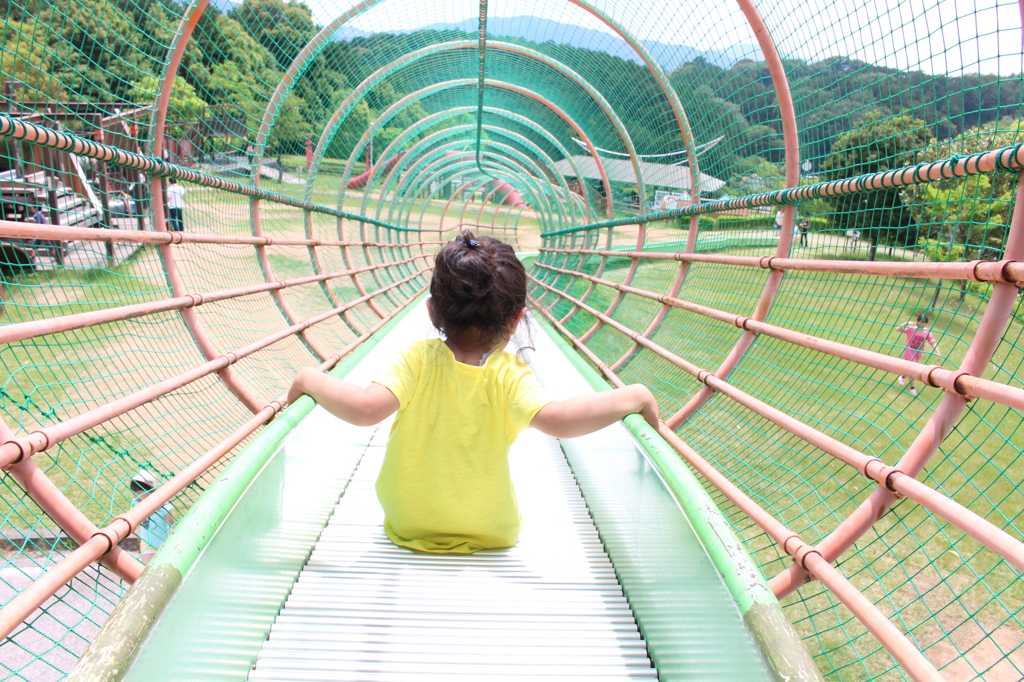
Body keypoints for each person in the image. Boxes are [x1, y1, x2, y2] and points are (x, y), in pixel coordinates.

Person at [287, 230, 659, 554]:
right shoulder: (509, 375)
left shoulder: (417, 360)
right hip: (490, 531)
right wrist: (635, 396)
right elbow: (560, 421)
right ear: (516, 319)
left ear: (432, 311)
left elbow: (364, 409)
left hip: (408, 524)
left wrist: (308, 378)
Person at [129, 469, 175, 563]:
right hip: (147, 543)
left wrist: (172, 541)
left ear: (152, 490)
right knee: (147, 569)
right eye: (134, 492)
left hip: (164, 542)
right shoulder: (136, 504)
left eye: (139, 493)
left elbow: (171, 524)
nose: (136, 496)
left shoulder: (163, 505)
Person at [896, 314, 942, 397]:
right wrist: (906, 323)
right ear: (917, 321)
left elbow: (932, 342)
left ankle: (902, 376)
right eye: (921, 322)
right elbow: (898, 329)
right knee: (912, 368)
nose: (923, 324)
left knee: (908, 367)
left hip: (918, 352)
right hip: (909, 350)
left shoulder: (927, 332)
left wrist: (938, 352)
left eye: (925, 323)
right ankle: (912, 388)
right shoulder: (911, 329)